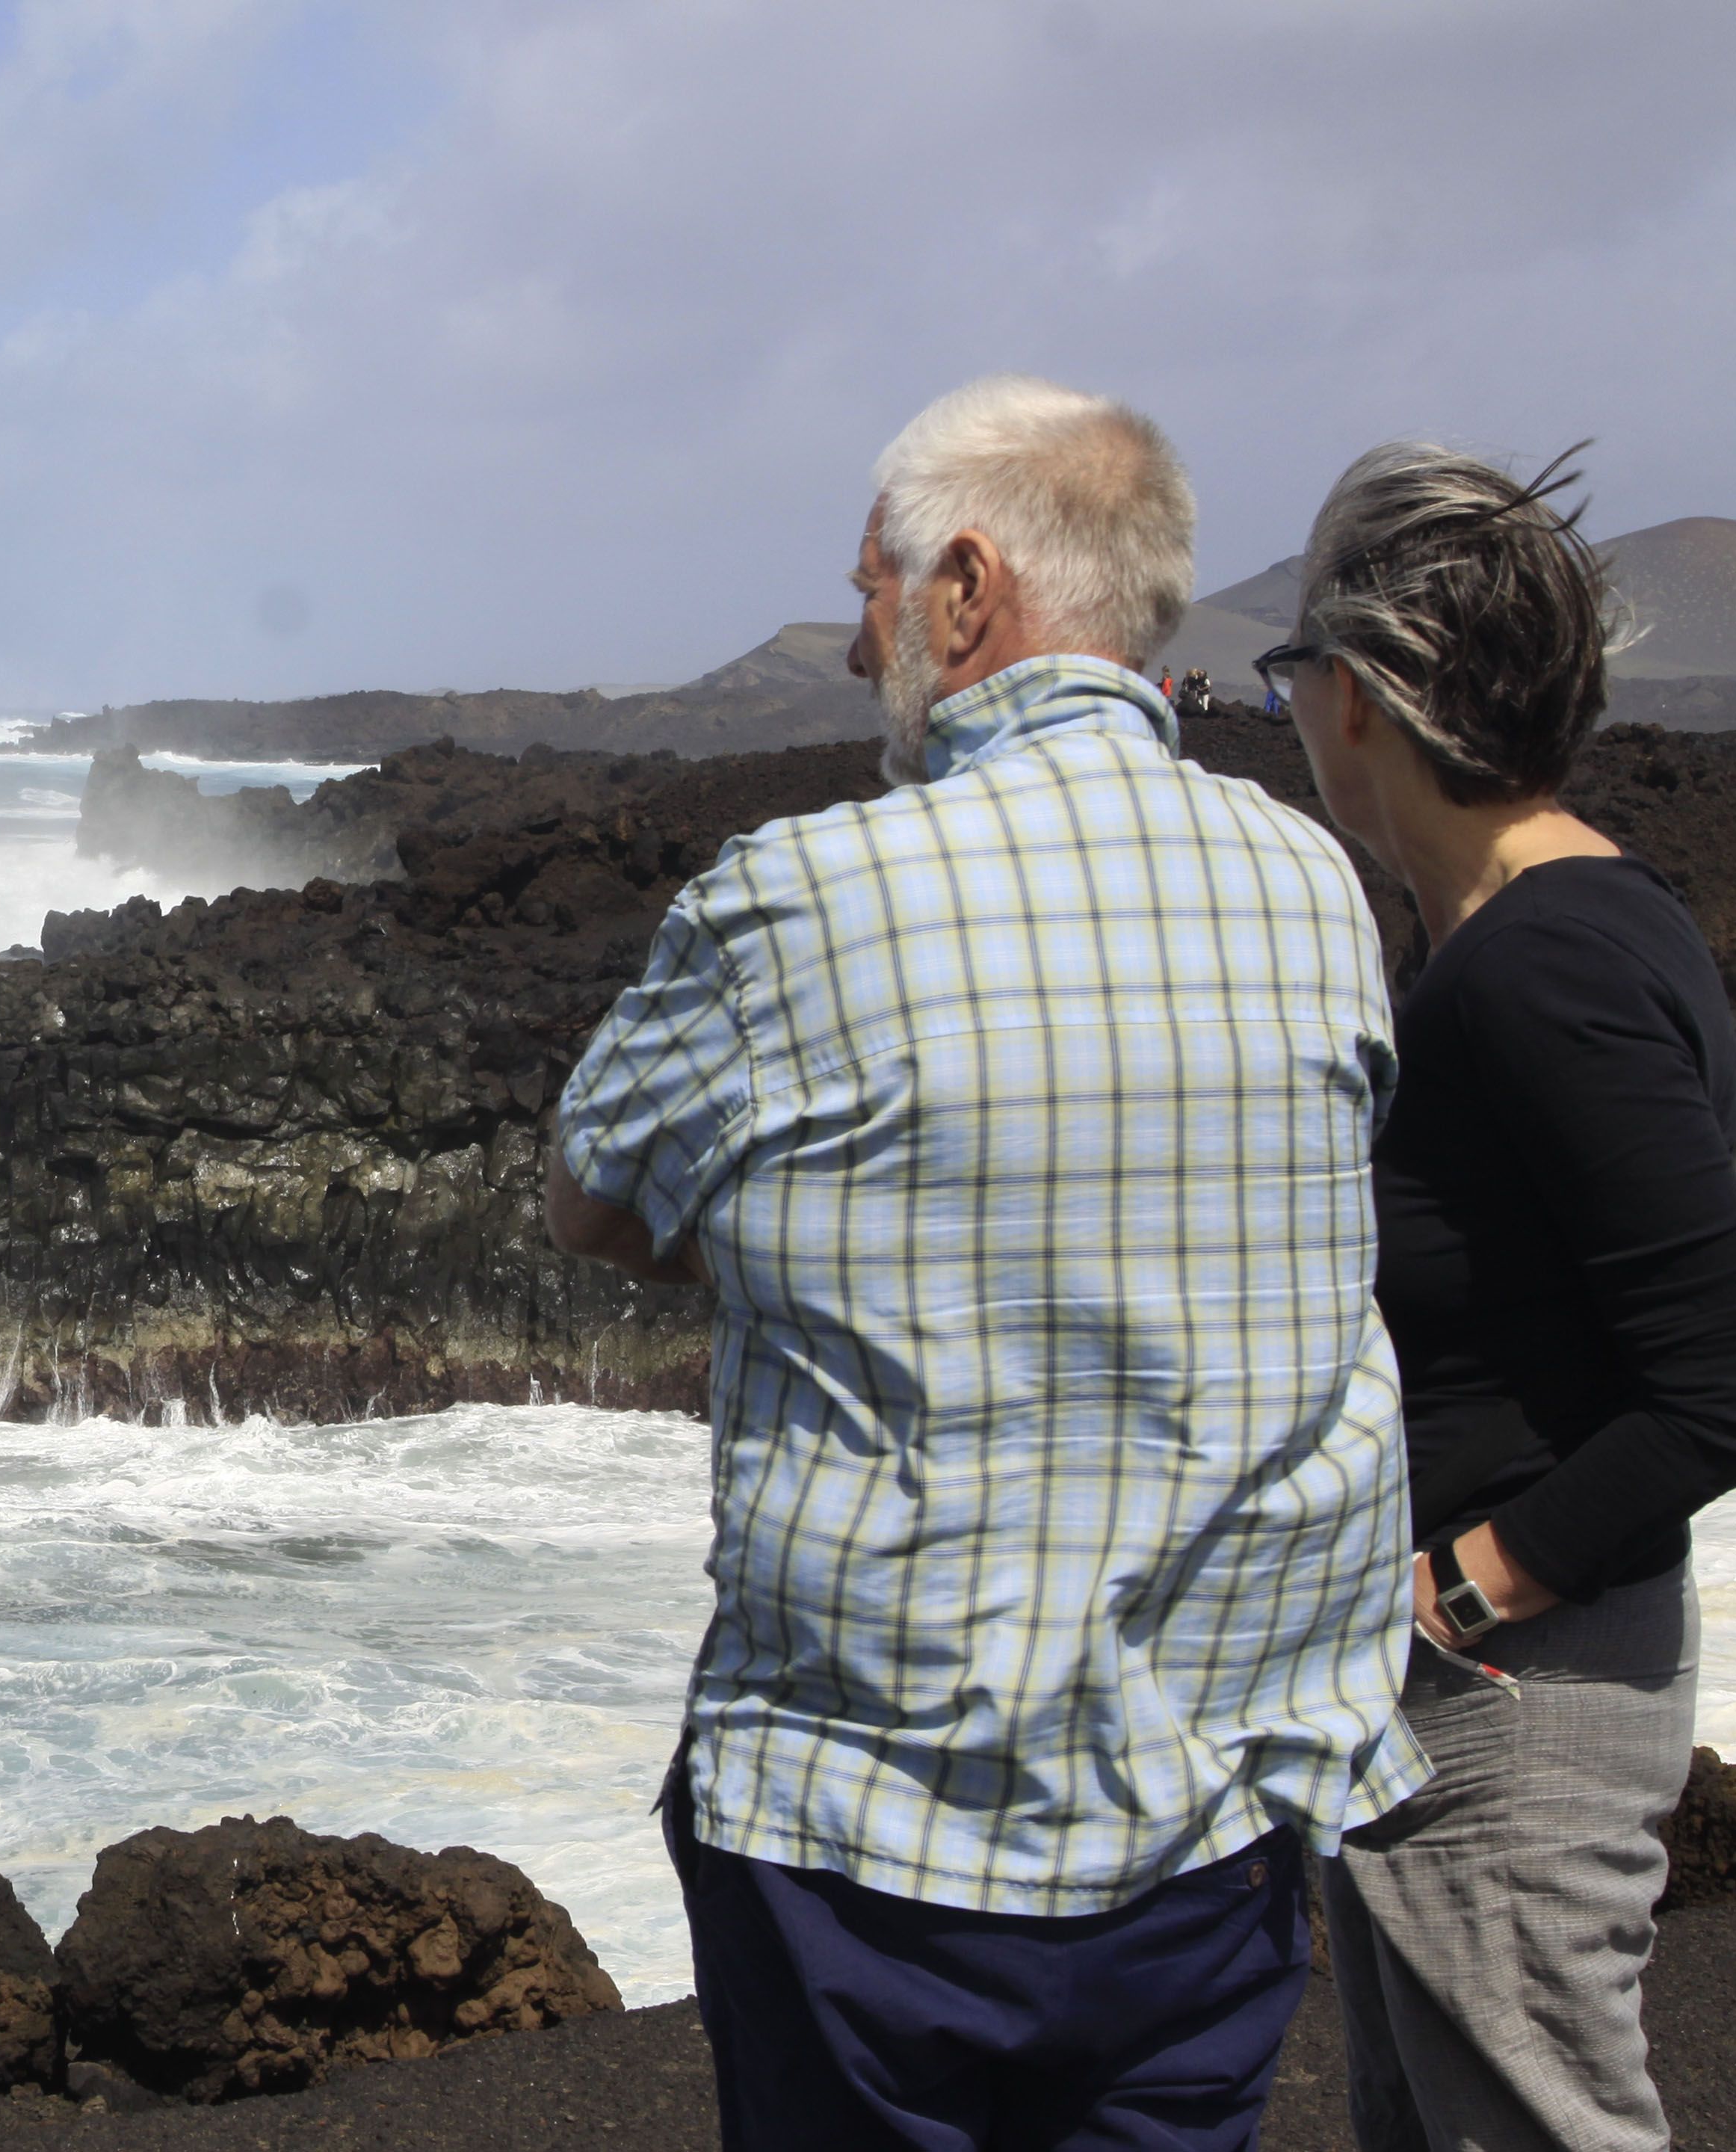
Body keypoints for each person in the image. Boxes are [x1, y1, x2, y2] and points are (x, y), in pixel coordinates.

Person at [549, 374, 1423, 2151]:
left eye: (873, 581)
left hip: (872, 1839)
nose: (859, 618)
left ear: (966, 589)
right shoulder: (1314, 882)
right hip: (1212, 1830)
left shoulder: (796, 899)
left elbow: (592, 1197)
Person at [1270, 443, 1736, 2152]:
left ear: (1369, 696)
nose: (1296, 711)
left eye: (1294, 670)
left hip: (1516, 1710)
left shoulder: (1544, 965)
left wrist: (1465, 1594)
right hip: (1497, 1698)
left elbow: (1718, 1375)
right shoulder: (1559, 929)